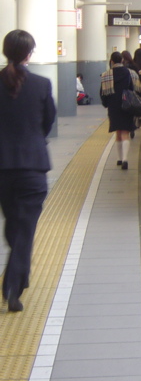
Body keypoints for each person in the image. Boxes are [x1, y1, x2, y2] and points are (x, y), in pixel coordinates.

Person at [0, 29, 56, 312]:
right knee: (24, 228)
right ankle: (13, 284)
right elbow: (48, 122)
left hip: (2, 169)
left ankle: (16, 278)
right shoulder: (42, 84)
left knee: (14, 224)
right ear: (29, 54)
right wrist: (32, 140)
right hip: (33, 167)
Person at [100, 51, 141, 170]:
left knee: (118, 132)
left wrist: (106, 104)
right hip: (126, 105)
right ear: (122, 61)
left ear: (111, 61)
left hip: (113, 107)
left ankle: (119, 159)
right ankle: (125, 159)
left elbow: (103, 93)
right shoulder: (130, 73)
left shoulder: (106, 75)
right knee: (125, 132)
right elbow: (135, 89)